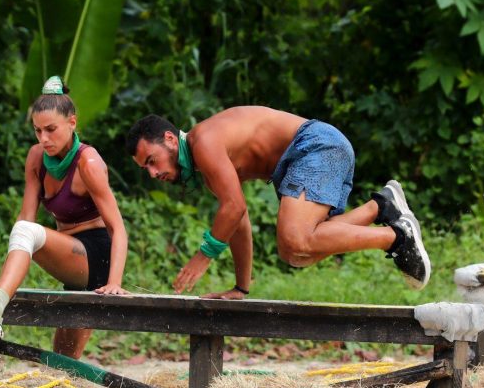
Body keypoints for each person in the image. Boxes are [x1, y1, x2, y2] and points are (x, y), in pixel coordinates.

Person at [125, 107, 430, 298]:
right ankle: (381, 207)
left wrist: (202, 257)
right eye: (145, 169)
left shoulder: (203, 141)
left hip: (314, 146)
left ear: (168, 138)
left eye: (152, 161)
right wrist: (240, 288)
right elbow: (238, 223)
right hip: (310, 155)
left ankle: (398, 237)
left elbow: (234, 209)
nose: (153, 173)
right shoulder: (205, 167)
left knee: (295, 240)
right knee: (297, 253)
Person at [0, 76, 128, 358]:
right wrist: (4, 278)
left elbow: (118, 228)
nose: (43, 138)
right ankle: (0, 295)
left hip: (96, 258)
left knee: (28, 231)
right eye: (38, 131)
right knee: (63, 359)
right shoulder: (37, 157)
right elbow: (24, 219)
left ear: (72, 123)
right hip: (68, 257)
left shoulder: (89, 162)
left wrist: (114, 282)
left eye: (51, 129)